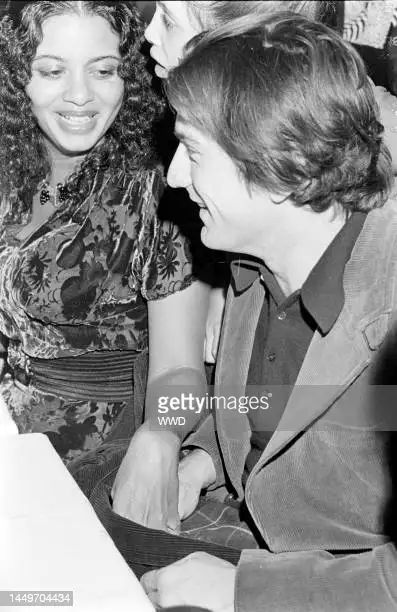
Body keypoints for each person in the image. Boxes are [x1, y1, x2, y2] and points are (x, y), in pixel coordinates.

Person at [136, 13, 397, 610]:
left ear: (283, 167)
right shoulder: (254, 267)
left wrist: (248, 590)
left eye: (193, 152)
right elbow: (280, 408)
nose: (174, 178)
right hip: (239, 535)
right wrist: (202, 462)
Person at [0, 0, 209, 509]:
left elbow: (182, 374)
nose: (79, 95)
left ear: (129, 76)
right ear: (15, 76)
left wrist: (160, 435)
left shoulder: (161, 195)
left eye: (104, 70)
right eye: (51, 70)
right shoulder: (9, 163)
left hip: (88, 460)